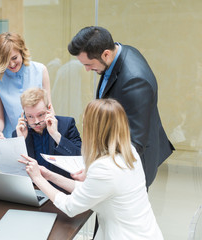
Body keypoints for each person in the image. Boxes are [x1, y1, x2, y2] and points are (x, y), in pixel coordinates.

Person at [19, 99, 164, 240]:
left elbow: (70, 206)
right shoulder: (129, 152)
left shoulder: (104, 168)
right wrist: (49, 175)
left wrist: (37, 178)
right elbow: (88, 190)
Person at [68, 26, 174, 188]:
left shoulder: (135, 81)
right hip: (112, 153)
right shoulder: (120, 51)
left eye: (89, 64)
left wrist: (98, 169)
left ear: (106, 54)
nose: (87, 69)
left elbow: (135, 143)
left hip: (132, 164)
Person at [0, 32, 53, 139]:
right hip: (13, 138)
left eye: (14, 58)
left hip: (42, 136)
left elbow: (49, 107)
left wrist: (53, 131)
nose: (12, 64)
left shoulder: (40, 70)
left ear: (21, 51)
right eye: (5, 61)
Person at [12, 87, 81, 178]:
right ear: (23, 114)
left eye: (40, 115)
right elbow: (14, 169)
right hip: (34, 187)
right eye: (30, 116)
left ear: (49, 108)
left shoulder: (66, 124)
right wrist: (20, 141)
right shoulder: (19, 132)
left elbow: (79, 157)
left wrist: (56, 135)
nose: (36, 121)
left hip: (61, 187)